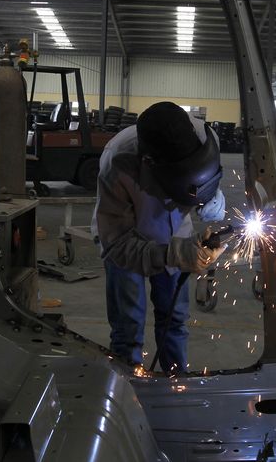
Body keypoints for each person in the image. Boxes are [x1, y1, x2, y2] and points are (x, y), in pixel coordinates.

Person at [92, 101, 227, 373]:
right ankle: (129, 383)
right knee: (128, 324)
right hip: (128, 240)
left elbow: (198, 177)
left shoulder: (202, 137)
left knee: (174, 318)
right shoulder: (117, 164)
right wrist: (173, 254)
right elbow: (117, 244)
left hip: (179, 234)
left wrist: (209, 196)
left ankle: (176, 379)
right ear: (150, 162)